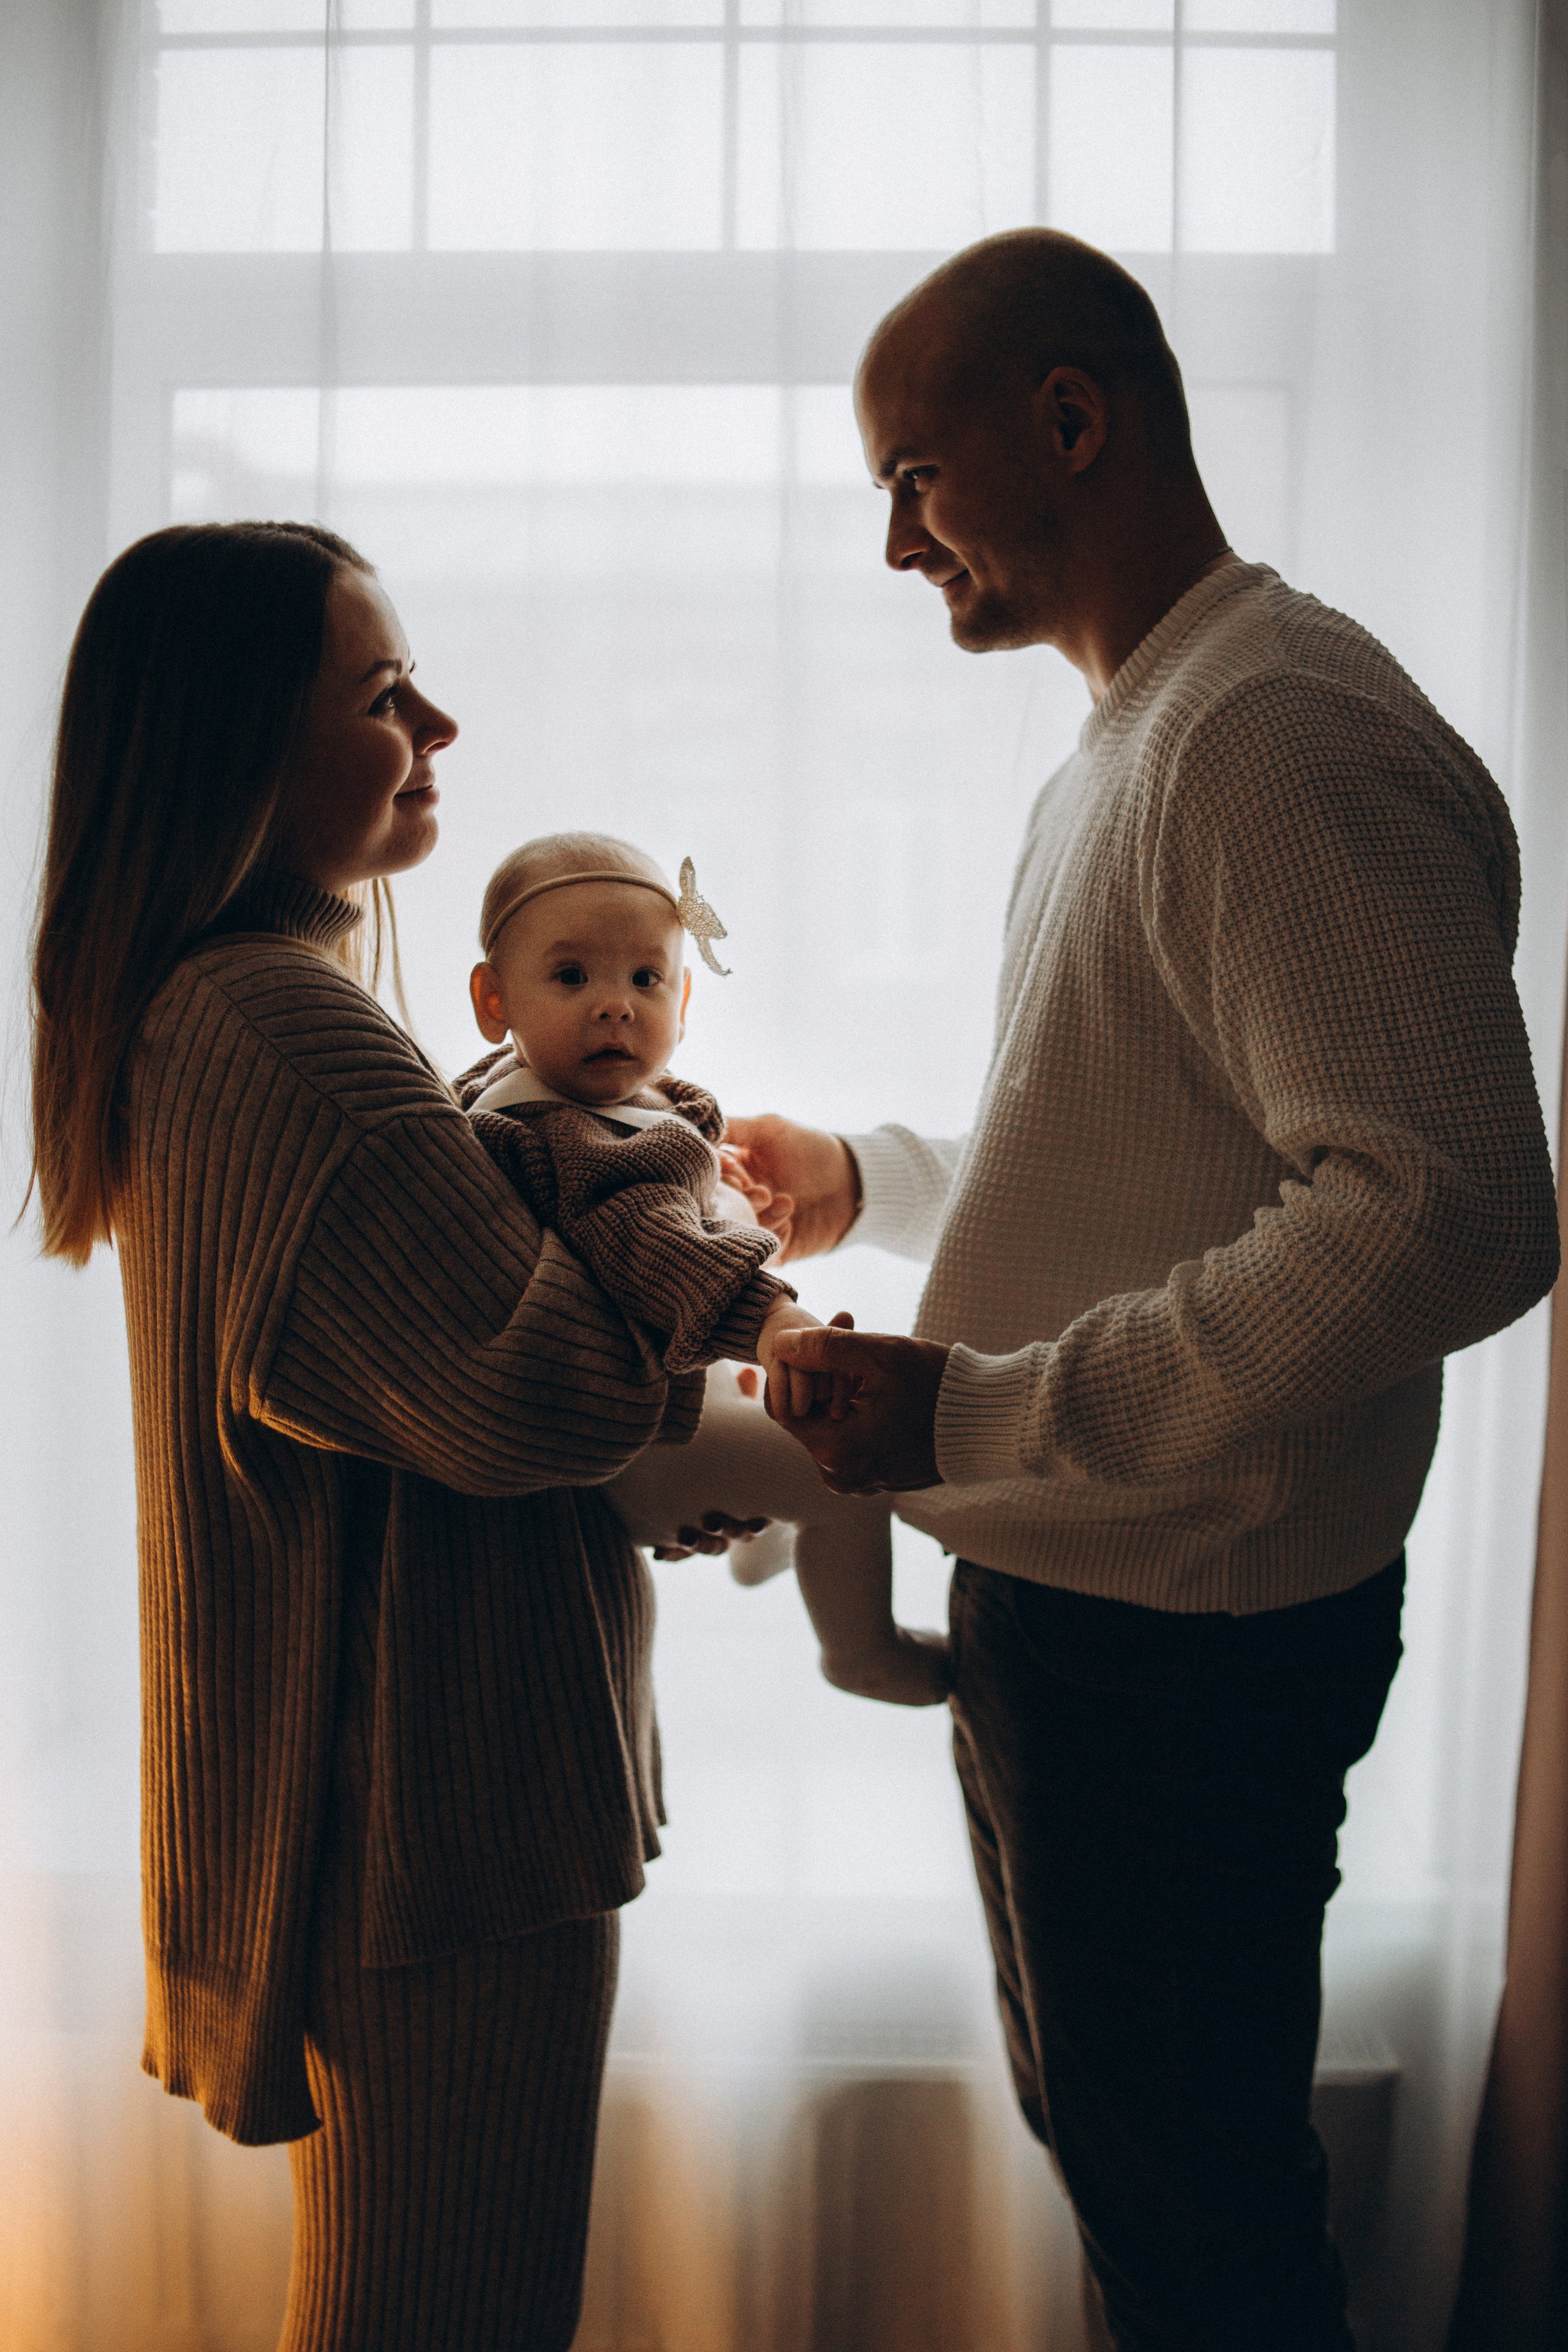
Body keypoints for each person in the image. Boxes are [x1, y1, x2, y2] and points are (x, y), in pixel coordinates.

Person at [725, 227, 1562, 2349]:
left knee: (1198, 2249)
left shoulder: (1266, 734)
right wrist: (876, 1185)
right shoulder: (1143, 732)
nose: (896, 543)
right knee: (1141, 2190)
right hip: (1098, 1614)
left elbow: (1450, 1208)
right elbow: (1160, 1154)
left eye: (914, 477)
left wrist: (980, 1419)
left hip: (1178, 1654)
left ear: (1072, 421)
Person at [26, 521, 756, 2352]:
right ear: (240, 745)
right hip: (439, 1811)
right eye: (381, 695)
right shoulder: (287, 1033)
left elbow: (417, 1390)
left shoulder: (248, 1007)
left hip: (403, 1799)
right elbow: (532, 1397)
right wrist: (671, 1249)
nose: (438, 725)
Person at [461, 827, 949, 1706]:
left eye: (646, 979)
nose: (616, 1006)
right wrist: (773, 1321)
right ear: (495, 999)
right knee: (848, 1471)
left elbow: (667, 1199)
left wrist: (726, 1198)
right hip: (654, 1443)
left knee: (791, 1428)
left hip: (681, 1406)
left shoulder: (572, 1100)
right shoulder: (564, 1134)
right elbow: (658, 1249)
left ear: (683, 998)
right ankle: (859, 1650)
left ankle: (770, 1540)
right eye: (571, 976)